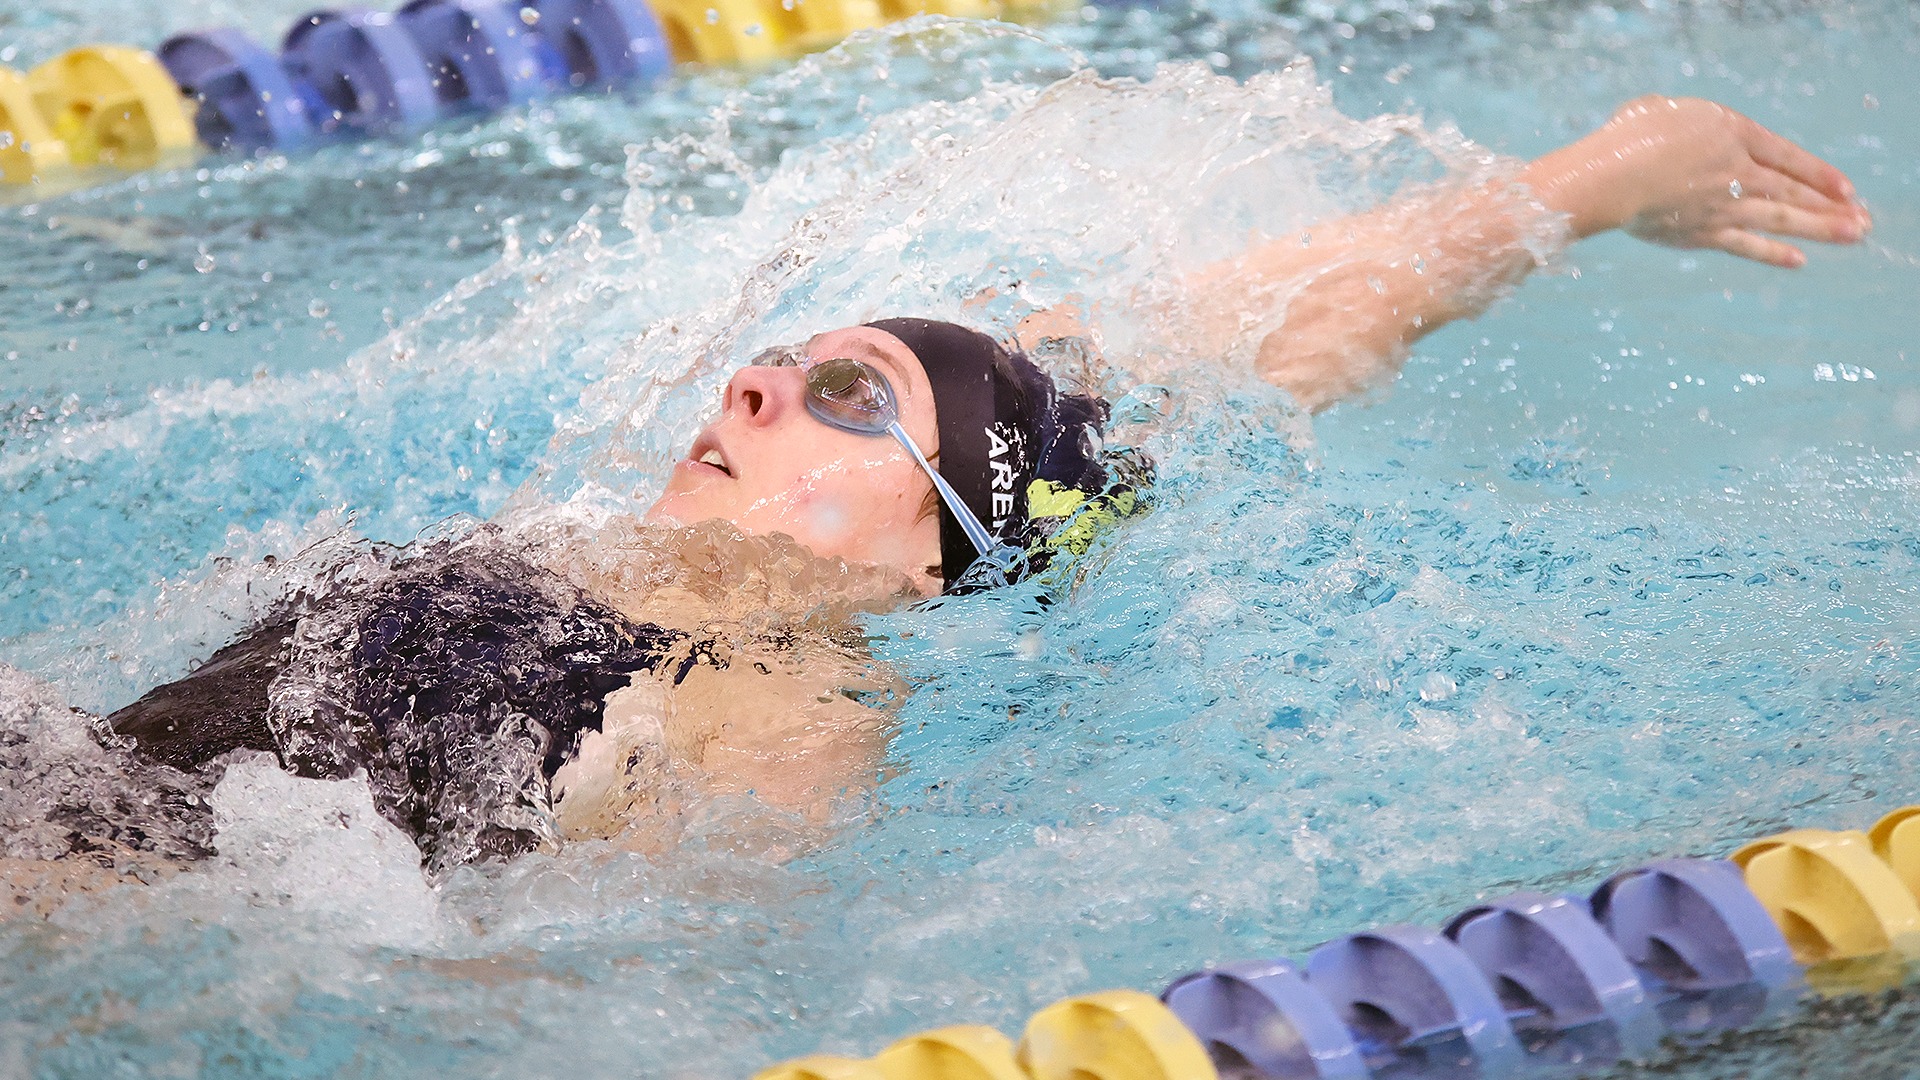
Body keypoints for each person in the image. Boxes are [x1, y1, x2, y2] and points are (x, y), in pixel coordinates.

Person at [42, 94, 1875, 882]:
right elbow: (1196, 358)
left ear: (932, 552)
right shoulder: (618, 559)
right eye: (790, 358)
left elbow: (615, 985)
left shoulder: (782, 705)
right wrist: (1594, 178)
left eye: (843, 397)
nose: (751, 383)